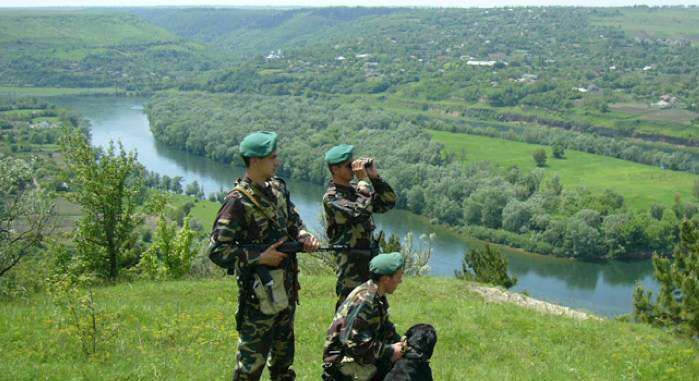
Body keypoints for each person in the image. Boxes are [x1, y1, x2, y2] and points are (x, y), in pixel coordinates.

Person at [207, 131, 320, 381]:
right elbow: (217, 250)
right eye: (272, 157)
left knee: (283, 366)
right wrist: (260, 257)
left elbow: (293, 221)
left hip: (286, 293)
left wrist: (303, 235)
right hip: (258, 301)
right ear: (255, 160)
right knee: (249, 369)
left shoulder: (278, 189)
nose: (277, 161)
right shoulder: (238, 202)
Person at [322, 144, 397, 308]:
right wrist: (363, 182)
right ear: (335, 169)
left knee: (375, 305)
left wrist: (374, 178)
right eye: (349, 165)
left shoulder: (357, 190)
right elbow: (360, 212)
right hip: (351, 264)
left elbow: (388, 202)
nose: (353, 168)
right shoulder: (332, 197)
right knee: (349, 308)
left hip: (369, 259)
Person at [322, 252, 406, 381]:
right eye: (398, 276)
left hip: (358, 356)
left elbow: (384, 326)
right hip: (342, 362)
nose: (400, 280)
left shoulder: (377, 293)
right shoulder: (364, 300)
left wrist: (401, 342)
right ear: (385, 279)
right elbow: (354, 344)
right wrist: (389, 351)